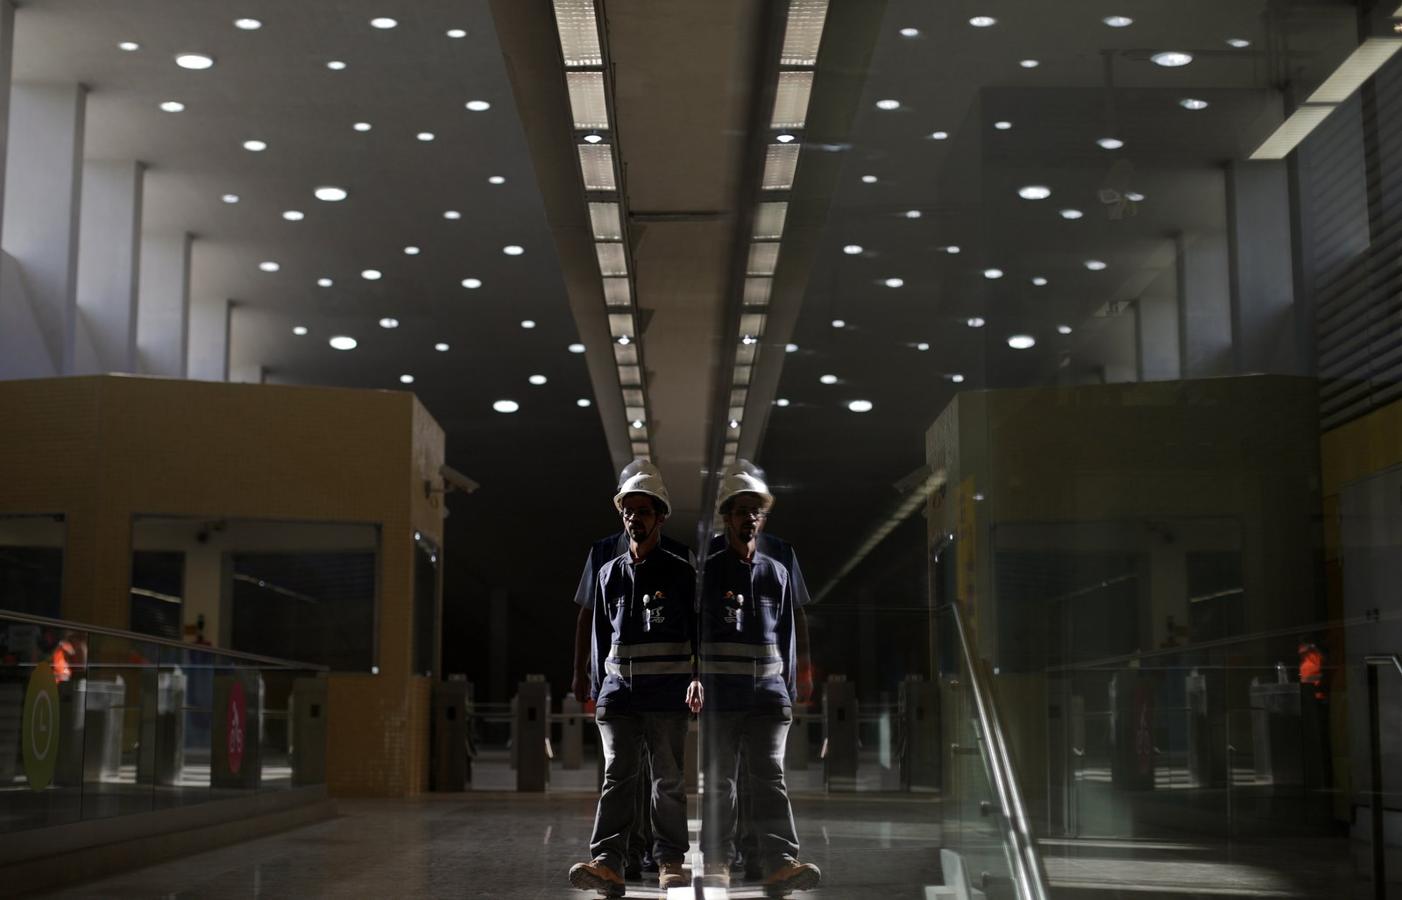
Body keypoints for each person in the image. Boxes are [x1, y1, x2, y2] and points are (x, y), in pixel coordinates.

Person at [569, 467, 701, 896]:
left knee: (667, 781)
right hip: (620, 695)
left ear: (660, 516)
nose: (634, 519)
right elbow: (598, 635)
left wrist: (698, 680)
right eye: (627, 512)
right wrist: (595, 684)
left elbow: (698, 634)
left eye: (642, 511)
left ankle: (670, 861)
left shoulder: (681, 573)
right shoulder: (609, 574)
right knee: (617, 778)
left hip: (667, 694)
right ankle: (607, 862)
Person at [699, 467, 821, 896]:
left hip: (769, 694)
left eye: (756, 512)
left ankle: (779, 862)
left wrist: (798, 675)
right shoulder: (707, 569)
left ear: (762, 519)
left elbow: (792, 622)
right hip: (721, 693)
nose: (750, 518)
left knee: (769, 779)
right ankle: (716, 860)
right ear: (727, 517)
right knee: (720, 781)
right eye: (741, 511)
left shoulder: (779, 568)